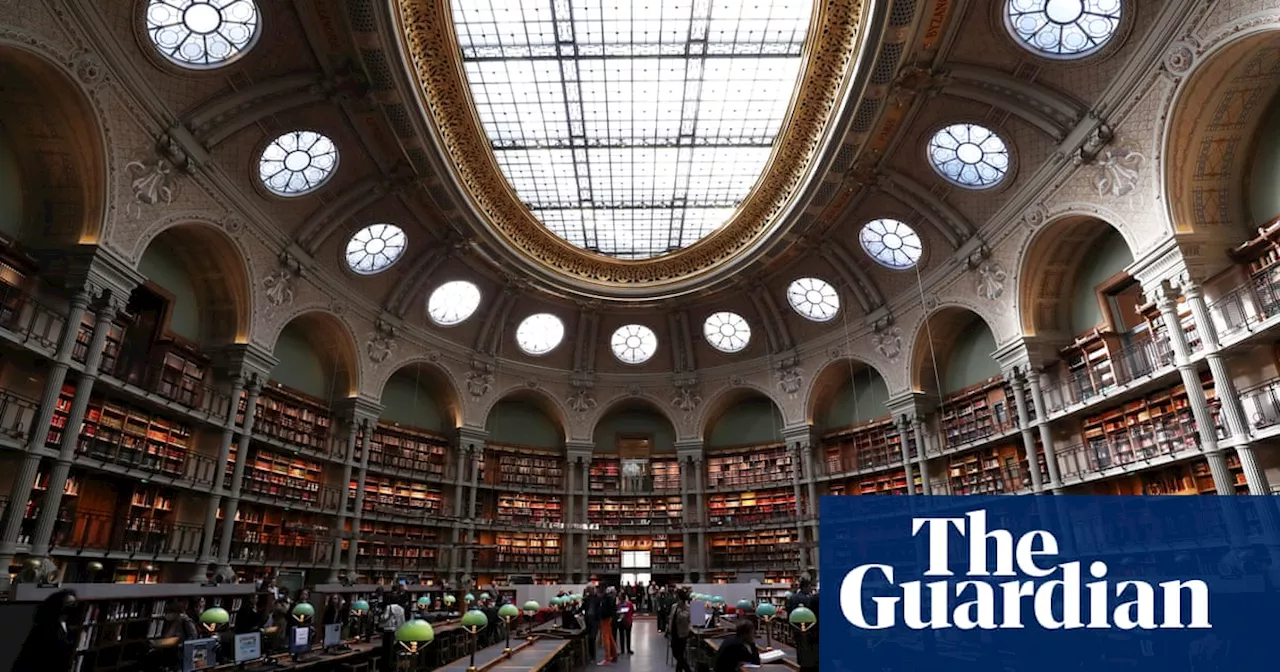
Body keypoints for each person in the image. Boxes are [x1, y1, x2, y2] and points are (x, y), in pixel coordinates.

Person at [13, 589, 77, 672]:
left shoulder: (68, 628)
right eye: (69, 603)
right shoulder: (44, 629)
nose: (73, 607)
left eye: (74, 603)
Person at [667, 588, 693, 672]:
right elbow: (671, 618)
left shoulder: (687, 608)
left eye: (678, 598)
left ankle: (682, 670)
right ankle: (687, 669)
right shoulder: (674, 606)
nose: (676, 600)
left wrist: (681, 608)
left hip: (682, 634)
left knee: (680, 654)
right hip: (674, 634)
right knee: (676, 654)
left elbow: (686, 618)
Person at [583, 585, 601, 663]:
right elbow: (583, 607)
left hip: (595, 621)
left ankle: (592, 656)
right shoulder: (586, 599)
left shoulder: (598, 599)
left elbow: (600, 609)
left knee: (592, 638)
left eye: (589, 590)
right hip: (588, 620)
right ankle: (591, 655)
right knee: (589, 639)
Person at [600, 586, 619, 663]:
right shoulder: (613, 599)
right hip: (610, 619)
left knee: (606, 638)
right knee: (610, 637)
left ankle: (607, 657)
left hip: (605, 619)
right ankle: (614, 655)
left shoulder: (606, 599)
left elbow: (603, 609)